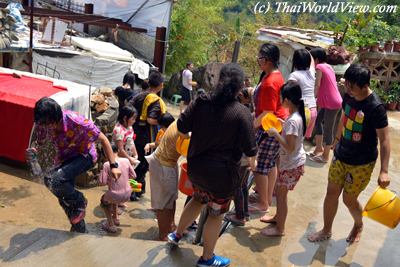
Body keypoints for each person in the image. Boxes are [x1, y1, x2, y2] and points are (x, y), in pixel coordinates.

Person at [167, 63, 257, 267]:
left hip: (196, 169)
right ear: (239, 87)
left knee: (197, 200)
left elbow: (181, 127)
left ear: (219, 80)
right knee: (216, 214)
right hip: (221, 178)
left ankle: (177, 234)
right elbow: (251, 150)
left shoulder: (202, 101)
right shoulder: (241, 113)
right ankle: (207, 258)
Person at [308, 64, 391, 243]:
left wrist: (384, 170)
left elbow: (384, 140)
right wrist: (336, 142)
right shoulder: (348, 96)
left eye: (352, 87)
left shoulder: (375, 107)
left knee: (349, 199)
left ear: (364, 85)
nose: (348, 90)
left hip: (362, 162)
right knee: (331, 192)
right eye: (347, 86)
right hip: (341, 154)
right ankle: (326, 230)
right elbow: (344, 118)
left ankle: (358, 223)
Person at [28, 97, 121, 233]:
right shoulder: (43, 125)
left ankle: (80, 200)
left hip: (85, 156)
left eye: (48, 124)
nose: (46, 127)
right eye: (43, 124)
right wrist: (34, 150)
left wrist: (114, 166)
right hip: (65, 159)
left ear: (55, 118)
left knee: (55, 180)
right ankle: (79, 229)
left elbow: (104, 140)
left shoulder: (76, 121)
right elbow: (38, 142)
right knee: (62, 196)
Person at [260, 83, 306, 236]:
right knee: (280, 194)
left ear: (287, 100)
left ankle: (280, 229)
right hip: (290, 163)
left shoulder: (293, 120)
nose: (279, 100)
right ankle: (277, 218)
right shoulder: (294, 117)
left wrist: (275, 134)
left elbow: (290, 147)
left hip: (292, 164)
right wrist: (281, 124)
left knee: (281, 196)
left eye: (281, 97)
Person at [251, 43, 288, 213]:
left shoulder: (269, 83)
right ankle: (267, 194)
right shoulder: (277, 76)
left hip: (269, 128)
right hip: (277, 126)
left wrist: (252, 126)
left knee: (259, 167)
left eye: (259, 58)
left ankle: (263, 203)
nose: (258, 61)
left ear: (267, 60)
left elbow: (267, 112)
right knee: (271, 164)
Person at [129, 70, 167, 198]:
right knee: (143, 163)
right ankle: (134, 191)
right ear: (160, 85)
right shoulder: (155, 100)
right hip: (146, 135)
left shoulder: (139, 95)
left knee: (135, 161)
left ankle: (138, 189)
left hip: (133, 131)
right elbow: (151, 119)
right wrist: (164, 121)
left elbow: (128, 108)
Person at [146, 119, 181, 241]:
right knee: (164, 204)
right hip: (163, 164)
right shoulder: (187, 129)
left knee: (172, 198)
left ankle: (171, 227)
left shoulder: (183, 120)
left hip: (169, 162)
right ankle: (163, 236)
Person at [309, 47, 342, 163]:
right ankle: (319, 148)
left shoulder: (319, 67)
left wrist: (311, 98)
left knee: (328, 128)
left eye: (311, 59)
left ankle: (325, 156)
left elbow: (317, 85)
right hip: (333, 100)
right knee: (318, 121)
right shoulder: (328, 66)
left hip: (331, 102)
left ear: (316, 59)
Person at [99, 144, 135, 233]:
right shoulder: (126, 161)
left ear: (105, 153)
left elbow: (102, 182)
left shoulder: (107, 164)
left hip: (115, 195)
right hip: (127, 194)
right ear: (118, 151)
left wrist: (102, 174)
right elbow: (134, 176)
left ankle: (111, 225)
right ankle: (115, 218)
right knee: (113, 196)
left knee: (104, 202)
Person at [288, 49, 317, 139]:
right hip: (313, 111)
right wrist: (307, 52)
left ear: (295, 61)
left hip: (302, 111)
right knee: (301, 140)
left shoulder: (294, 76)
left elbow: (290, 93)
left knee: (294, 141)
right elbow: (312, 62)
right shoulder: (311, 72)